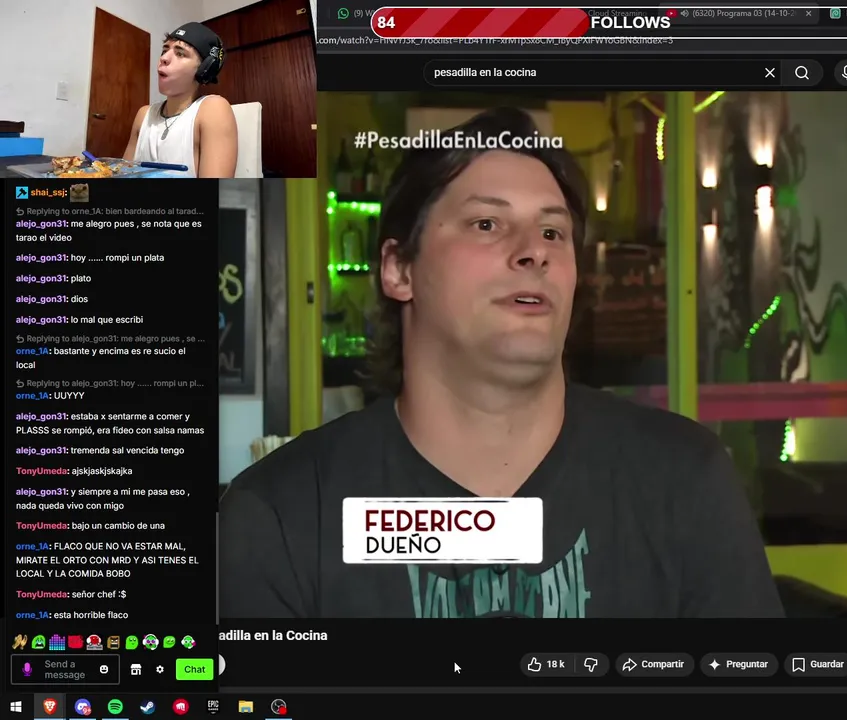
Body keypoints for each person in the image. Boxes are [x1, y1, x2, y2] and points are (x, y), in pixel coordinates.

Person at [218, 108, 784, 619]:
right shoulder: (283, 515)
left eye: (552, 231)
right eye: (486, 224)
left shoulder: (685, 482)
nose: (535, 251)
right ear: (399, 269)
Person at [123, 22, 238, 177]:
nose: (164, 58)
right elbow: (123, 174)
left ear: (204, 70)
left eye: (180, 53)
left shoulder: (213, 110)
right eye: (165, 50)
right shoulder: (144, 115)